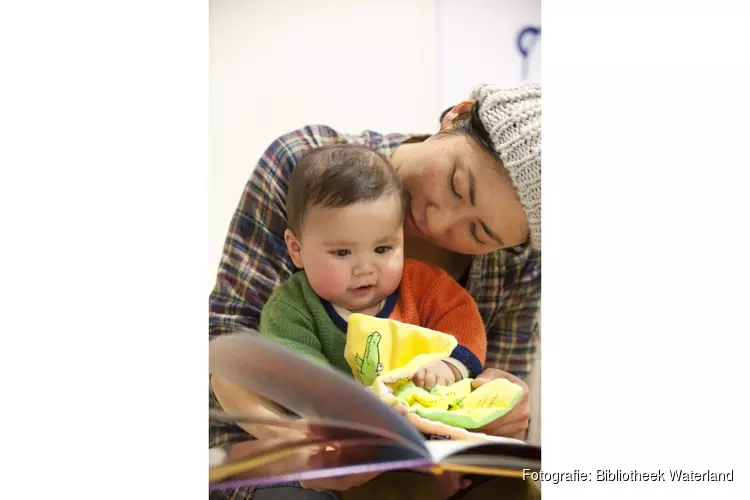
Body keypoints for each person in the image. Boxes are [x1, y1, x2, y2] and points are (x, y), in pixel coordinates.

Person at [209, 83, 542, 499]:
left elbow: (487, 398)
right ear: (457, 114)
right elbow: (223, 341)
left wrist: (498, 405)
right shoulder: (308, 169)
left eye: (478, 232)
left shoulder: (519, 265)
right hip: (277, 453)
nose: (438, 223)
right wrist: (300, 443)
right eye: (456, 184)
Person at [260, 143, 487, 391]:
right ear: (296, 249)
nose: (365, 269)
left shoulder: (424, 285)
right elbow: (300, 374)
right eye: (342, 252)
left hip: (422, 418)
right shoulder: (290, 308)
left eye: (382, 249)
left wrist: (450, 365)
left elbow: (463, 319)